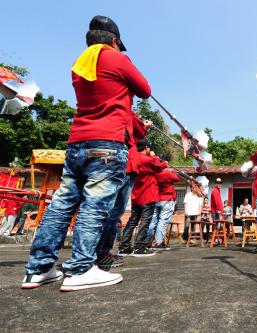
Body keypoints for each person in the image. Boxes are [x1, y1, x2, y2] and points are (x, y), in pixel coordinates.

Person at [22, 15, 151, 291]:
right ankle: (81, 269)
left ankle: (38, 269)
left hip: (77, 141)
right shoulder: (117, 59)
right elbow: (145, 90)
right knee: (95, 205)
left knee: (61, 204)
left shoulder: (79, 64)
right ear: (114, 41)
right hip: (107, 143)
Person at [95, 111, 151, 270]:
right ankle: (101, 252)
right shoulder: (123, 110)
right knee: (112, 213)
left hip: (123, 167)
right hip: (124, 167)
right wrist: (143, 126)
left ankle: (100, 252)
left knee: (113, 213)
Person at [118, 140, 167, 257]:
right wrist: (160, 159)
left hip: (136, 195)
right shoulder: (147, 159)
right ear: (147, 147)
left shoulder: (134, 157)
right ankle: (139, 247)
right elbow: (159, 167)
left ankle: (124, 247)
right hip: (148, 194)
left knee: (133, 221)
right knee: (145, 221)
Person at [147, 168, 180, 250]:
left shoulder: (154, 172)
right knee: (162, 222)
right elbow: (177, 178)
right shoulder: (167, 173)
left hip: (156, 199)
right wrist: (171, 171)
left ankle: (146, 241)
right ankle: (158, 243)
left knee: (153, 221)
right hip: (166, 199)